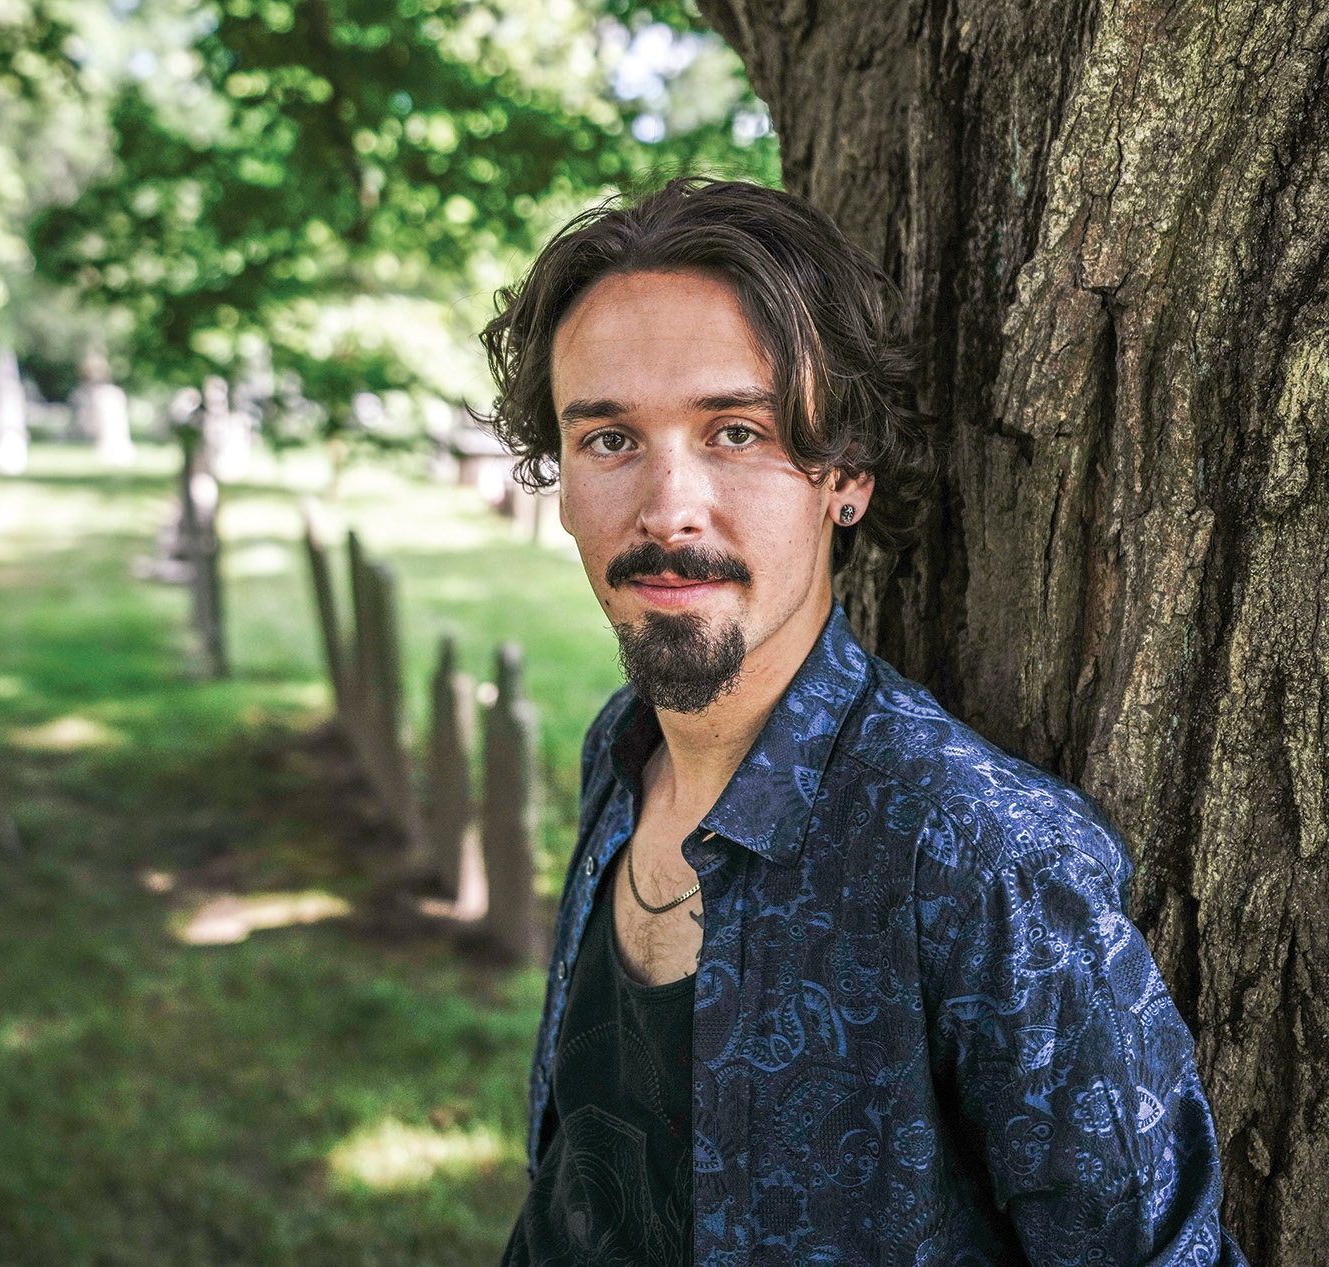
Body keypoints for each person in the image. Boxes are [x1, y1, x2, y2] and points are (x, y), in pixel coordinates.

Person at [482, 178, 1247, 1266]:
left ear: (842, 474)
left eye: (734, 431)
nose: (667, 510)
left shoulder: (978, 854)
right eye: (609, 439)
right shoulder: (622, 748)